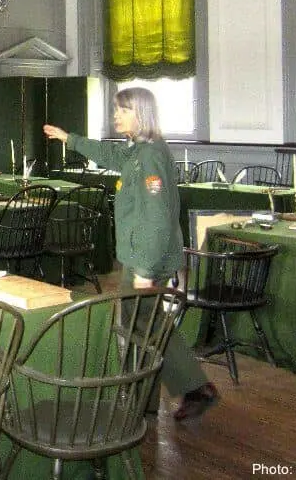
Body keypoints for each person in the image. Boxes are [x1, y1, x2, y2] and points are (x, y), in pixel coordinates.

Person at [43, 86, 218, 421]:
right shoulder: (139, 150)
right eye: (116, 110)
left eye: (123, 110)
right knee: (142, 325)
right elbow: (110, 157)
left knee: (144, 326)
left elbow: (157, 217)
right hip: (141, 256)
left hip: (146, 259)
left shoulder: (150, 155)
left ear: (142, 114)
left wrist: (145, 268)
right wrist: (71, 139)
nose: (116, 116)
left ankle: (180, 390)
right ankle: (149, 397)